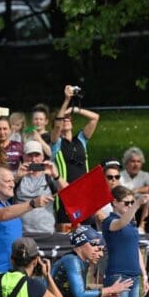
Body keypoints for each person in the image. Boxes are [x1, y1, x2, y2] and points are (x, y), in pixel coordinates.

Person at [102, 186, 149, 297]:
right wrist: (137, 204)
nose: (129, 206)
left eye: (131, 202)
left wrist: (144, 275)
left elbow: (136, 250)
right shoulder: (110, 221)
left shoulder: (131, 223)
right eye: (126, 203)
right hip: (117, 275)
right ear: (114, 202)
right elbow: (119, 223)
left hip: (133, 275)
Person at [50, 85, 100, 229]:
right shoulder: (56, 143)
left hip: (84, 194)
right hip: (66, 195)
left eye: (68, 118)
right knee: (66, 233)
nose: (66, 119)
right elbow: (58, 126)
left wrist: (75, 109)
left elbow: (95, 118)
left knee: (87, 233)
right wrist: (66, 101)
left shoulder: (81, 140)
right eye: (62, 118)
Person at [14, 141, 66, 234]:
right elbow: (2, 197)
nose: (34, 159)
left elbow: (70, 193)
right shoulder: (17, 175)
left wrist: (56, 176)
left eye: (37, 155)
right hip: (21, 233)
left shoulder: (49, 175)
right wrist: (17, 178)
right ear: (23, 157)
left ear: (42, 157)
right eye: (30, 155)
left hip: (46, 231)